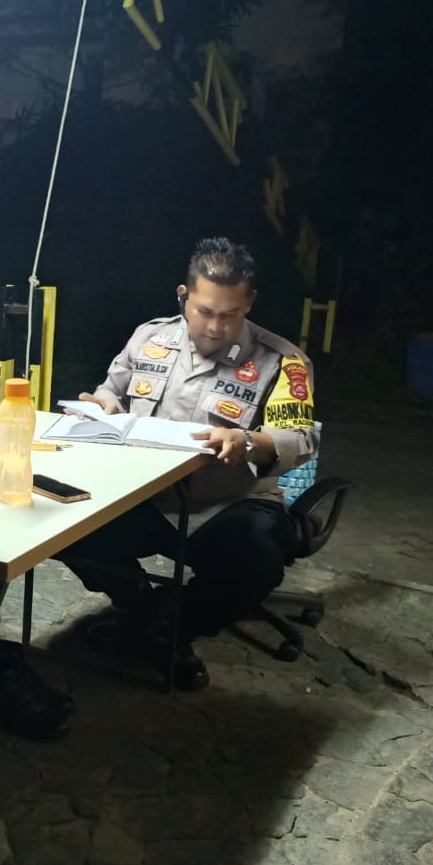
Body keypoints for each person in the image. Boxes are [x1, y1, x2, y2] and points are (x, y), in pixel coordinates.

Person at [55, 237, 317, 690]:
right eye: (204, 311)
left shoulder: (283, 360)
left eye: (229, 314)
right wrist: (102, 404)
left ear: (249, 303)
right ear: (183, 295)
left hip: (229, 502)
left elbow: (301, 437)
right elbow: (111, 390)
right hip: (145, 496)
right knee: (59, 524)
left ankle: (174, 628)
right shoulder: (149, 338)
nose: (215, 327)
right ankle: (139, 608)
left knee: (257, 558)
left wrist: (248, 441)